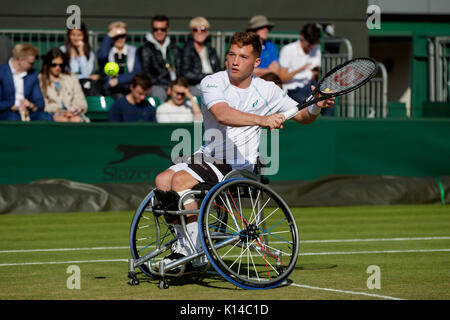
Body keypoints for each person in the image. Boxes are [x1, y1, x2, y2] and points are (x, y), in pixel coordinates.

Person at [153, 32, 334, 267]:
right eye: (232, 55)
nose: (235, 61)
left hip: (238, 165)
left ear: (256, 62)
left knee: (179, 181)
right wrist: (263, 119)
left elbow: (303, 116)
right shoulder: (212, 81)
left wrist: (317, 105)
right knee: (162, 180)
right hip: (207, 157)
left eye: (244, 57)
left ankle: (192, 252)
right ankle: (185, 246)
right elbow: (222, 114)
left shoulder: (268, 90)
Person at [279, 23, 333, 115]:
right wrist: (300, 69)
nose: (311, 47)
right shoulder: (288, 50)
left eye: (313, 43)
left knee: (329, 103)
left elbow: (315, 72)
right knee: (308, 102)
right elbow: (282, 78)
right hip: (292, 90)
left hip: (311, 87)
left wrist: (313, 74)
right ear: (302, 36)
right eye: (309, 43)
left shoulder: (316, 49)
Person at [0, 43, 53, 121]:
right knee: (13, 118)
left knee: (46, 117)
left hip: (28, 112)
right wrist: (14, 106)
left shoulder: (32, 74)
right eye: (31, 63)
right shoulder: (2, 73)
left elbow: (40, 102)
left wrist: (31, 105)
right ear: (20, 60)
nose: (33, 65)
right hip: (7, 112)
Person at [39, 48, 89, 123]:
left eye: (61, 65)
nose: (57, 67)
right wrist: (59, 112)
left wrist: (72, 112)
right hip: (51, 114)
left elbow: (80, 100)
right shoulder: (41, 79)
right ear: (48, 64)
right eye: (54, 65)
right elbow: (42, 103)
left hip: (72, 114)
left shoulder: (71, 77)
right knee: (62, 120)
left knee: (76, 120)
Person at [139, 15, 181, 103]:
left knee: (194, 92)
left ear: (167, 29)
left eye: (162, 29)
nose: (159, 32)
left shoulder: (174, 48)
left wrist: (177, 86)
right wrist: (169, 86)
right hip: (155, 85)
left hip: (175, 84)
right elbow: (147, 75)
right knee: (159, 93)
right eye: (155, 29)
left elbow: (180, 70)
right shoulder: (145, 49)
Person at [97, 21, 142, 100]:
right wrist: (109, 36)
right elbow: (101, 56)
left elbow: (137, 72)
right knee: (120, 97)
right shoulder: (107, 51)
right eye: (116, 36)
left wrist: (118, 80)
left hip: (129, 86)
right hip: (112, 89)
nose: (120, 39)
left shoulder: (132, 50)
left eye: (122, 36)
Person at [181, 16, 221, 97]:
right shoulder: (187, 49)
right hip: (195, 85)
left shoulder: (211, 50)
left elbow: (218, 70)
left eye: (203, 29)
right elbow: (186, 74)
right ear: (191, 33)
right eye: (195, 30)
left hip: (213, 84)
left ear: (207, 32)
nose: (199, 32)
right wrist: (207, 76)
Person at [60, 23, 102, 96]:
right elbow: (68, 73)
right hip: (67, 83)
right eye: (73, 35)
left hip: (84, 84)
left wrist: (81, 52)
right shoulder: (63, 50)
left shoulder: (89, 53)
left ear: (84, 36)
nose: (76, 38)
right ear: (69, 36)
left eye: (79, 35)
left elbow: (86, 73)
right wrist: (84, 77)